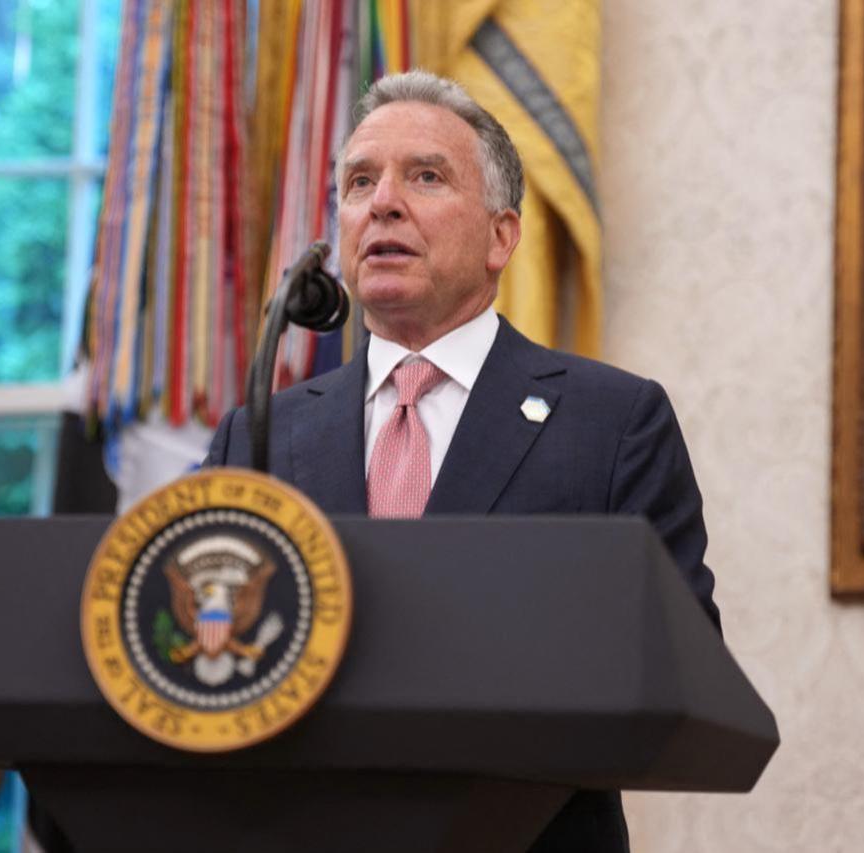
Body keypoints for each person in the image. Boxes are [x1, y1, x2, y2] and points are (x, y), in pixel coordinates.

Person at [205, 69, 719, 853]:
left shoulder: (613, 422)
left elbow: (681, 666)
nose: (383, 203)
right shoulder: (262, 435)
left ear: (501, 236)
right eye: (360, 181)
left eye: (426, 176)